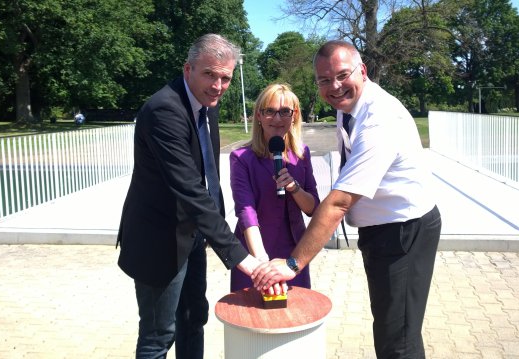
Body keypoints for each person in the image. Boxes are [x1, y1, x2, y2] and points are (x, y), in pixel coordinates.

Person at [251, 40, 442, 358]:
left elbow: (339, 202)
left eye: (342, 75)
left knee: (398, 340)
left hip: (403, 232)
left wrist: (293, 263)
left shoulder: (380, 120)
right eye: (324, 80)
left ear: (362, 71)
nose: (335, 87)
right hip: (381, 232)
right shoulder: (349, 108)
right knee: (390, 326)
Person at [116, 34, 270, 359]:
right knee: (159, 337)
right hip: (158, 240)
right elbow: (189, 188)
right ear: (189, 68)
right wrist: (241, 256)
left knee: (193, 318)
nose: (218, 85)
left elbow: (209, 179)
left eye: (225, 78)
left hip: (192, 235)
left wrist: (218, 233)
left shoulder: (207, 106)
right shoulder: (164, 110)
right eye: (209, 74)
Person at [229, 83, 320, 292]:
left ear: (294, 116)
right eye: (269, 111)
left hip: (294, 254)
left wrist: (293, 187)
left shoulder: (301, 153)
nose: (277, 119)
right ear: (258, 116)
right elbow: (245, 211)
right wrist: (261, 261)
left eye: (285, 112)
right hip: (255, 251)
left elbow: (313, 208)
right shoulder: (241, 158)